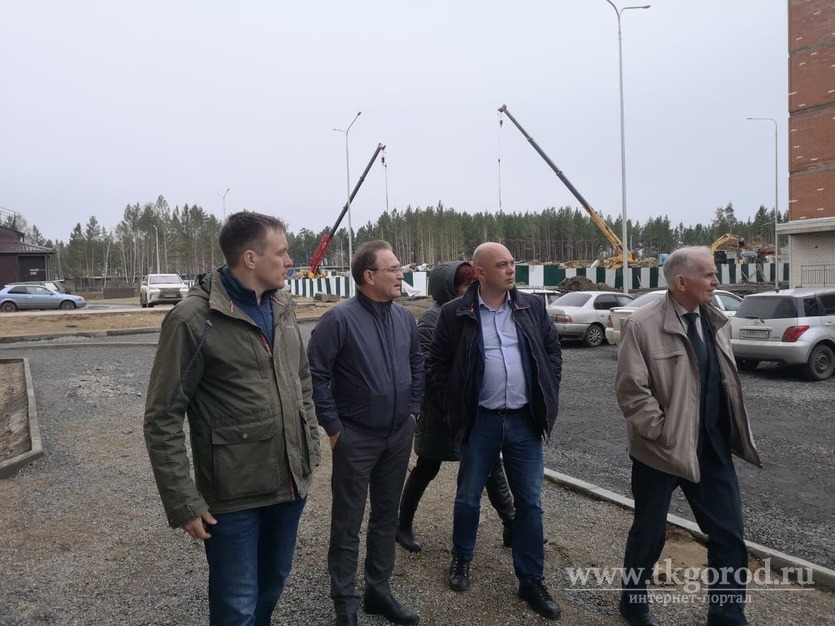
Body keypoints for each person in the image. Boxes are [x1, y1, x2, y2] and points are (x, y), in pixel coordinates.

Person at [143, 211, 321, 626]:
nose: (290, 261)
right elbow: (162, 416)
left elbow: (302, 381)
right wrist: (183, 500)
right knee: (236, 605)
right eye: (282, 252)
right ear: (251, 258)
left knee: (273, 584)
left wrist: (309, 445)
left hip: (290, 485)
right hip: (233, 497)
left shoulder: (282, 305)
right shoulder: (193, 319)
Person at [615, 246, 761, 626]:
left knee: (728, 534)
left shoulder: (715, 320)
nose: (716, 281)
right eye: (708, 275)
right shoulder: (642, 325)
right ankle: (633, 602)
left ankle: (727, 614)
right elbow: (631, 392)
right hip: (660, 452)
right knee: (649, 534)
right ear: (681, 282)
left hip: (712, 447)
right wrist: (663, 433)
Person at [429, 242, 563, 620]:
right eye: (501, 265)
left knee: (530, 503)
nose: (510, 270)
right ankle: (461, 558)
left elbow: (552, 353)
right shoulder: (455, 313)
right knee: (468, 497)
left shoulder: (531, 307)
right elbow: (438, 364)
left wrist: (547, 390)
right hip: (480, 421)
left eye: (511, 263)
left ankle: (531, 579)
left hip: (524, 420)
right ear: (480, 272)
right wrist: (455, 404)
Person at [307, 240, 423, 626]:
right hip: (355, 437)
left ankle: (378, 591)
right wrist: (333, 427)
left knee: (386, 516)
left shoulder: (404, 318)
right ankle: (345, 604)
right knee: (347, 523)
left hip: (398, 434)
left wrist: (413, 411)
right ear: (369, 276)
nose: (400, 274)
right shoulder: (339, 320)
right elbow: (316, 375)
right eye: (393, 269)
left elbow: (416, 364)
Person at [396, 261, 516, 554]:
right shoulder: (432, 319)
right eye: (465, 285)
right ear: (449, 288)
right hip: (441, 413)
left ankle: (513, 525)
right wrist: (453, 403)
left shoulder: (472, 311)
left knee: (492, 467)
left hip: (475, 411)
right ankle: (401, 524)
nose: (472, 290)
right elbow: (427, 368)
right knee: (427, 467)